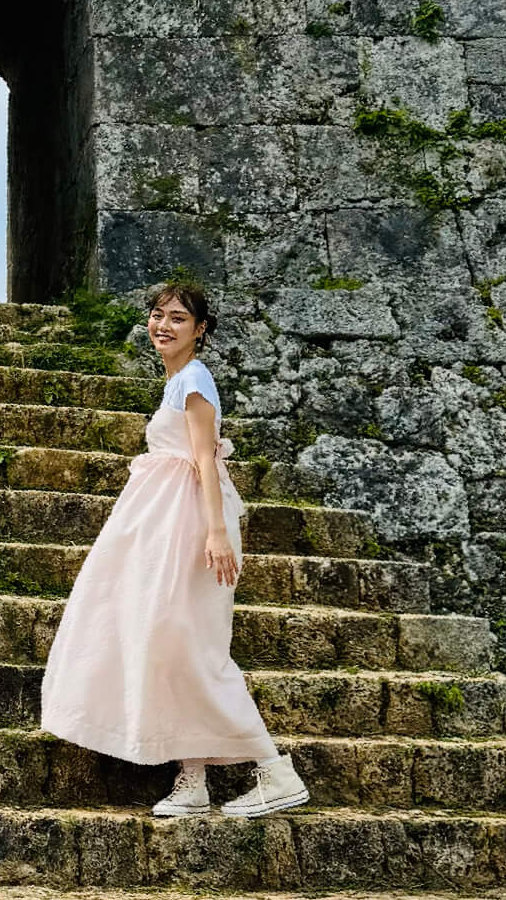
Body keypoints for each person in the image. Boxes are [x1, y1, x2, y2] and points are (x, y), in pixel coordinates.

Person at [39, 281, 309, 819]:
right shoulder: (177, 379)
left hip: (188, 523)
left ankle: (275, 770)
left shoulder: (194, 379)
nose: (164, 325)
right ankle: (193, 779)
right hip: (162, 521)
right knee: (166, 642)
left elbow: (206, 460)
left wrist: (214, 532)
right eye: (158, 316)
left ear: (200, 329)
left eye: (178, 318)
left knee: (190, 646)